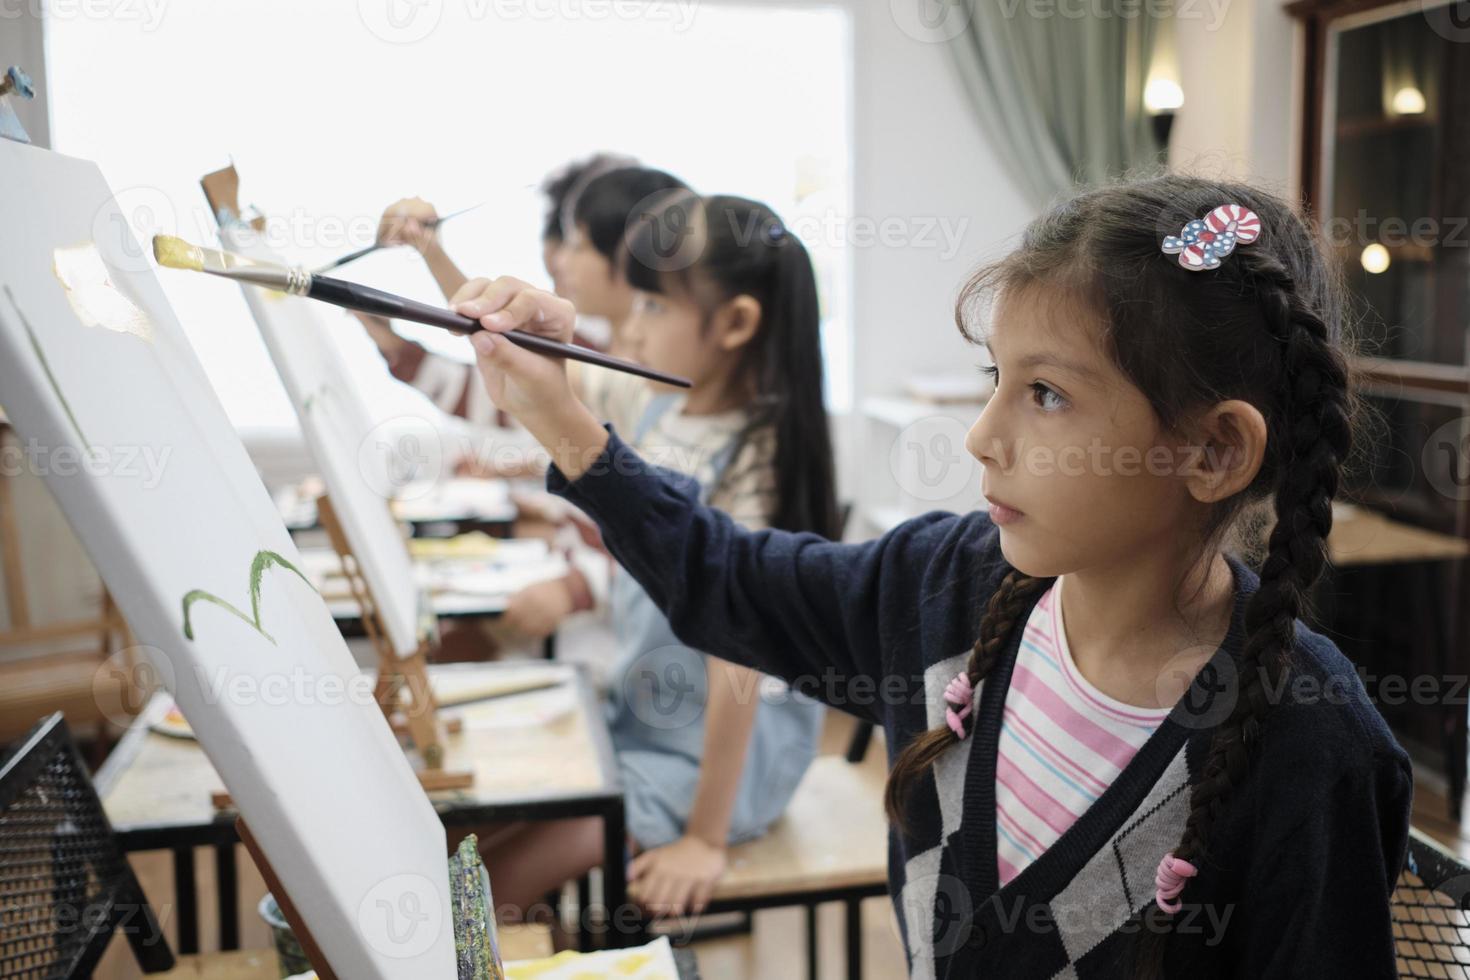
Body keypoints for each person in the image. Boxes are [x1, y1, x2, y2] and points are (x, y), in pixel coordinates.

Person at [453, 175, 1413, 977]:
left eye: (1046, 394)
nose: (982, 437)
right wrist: (561, 417)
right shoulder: (944, 586)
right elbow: (730, 579)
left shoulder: (1311, 749)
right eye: (994, 378)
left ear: (1212, 452)